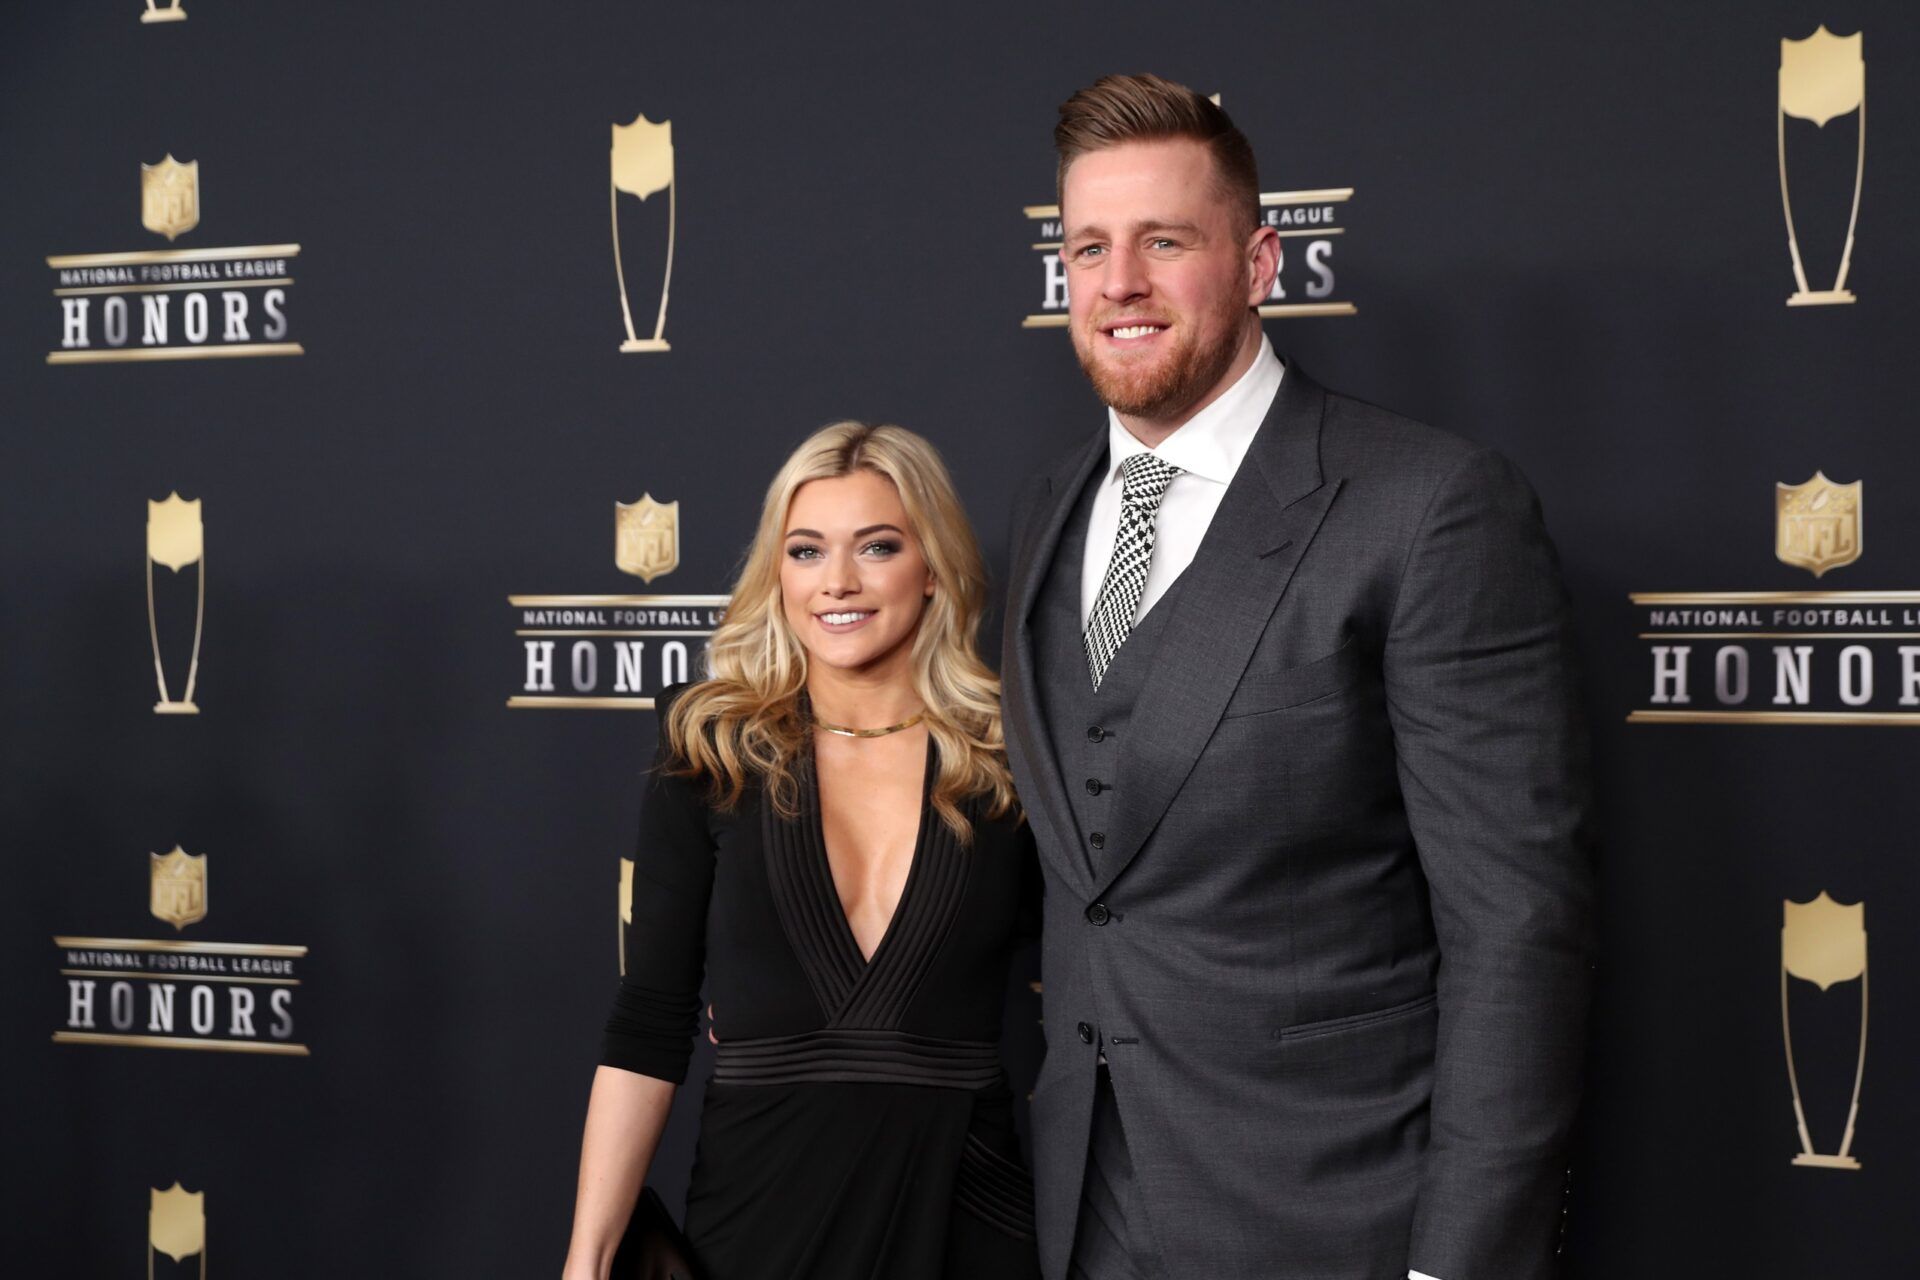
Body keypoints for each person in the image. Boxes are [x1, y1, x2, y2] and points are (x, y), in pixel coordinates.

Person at [999, 75, 1595, 1280]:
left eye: (1165, 242)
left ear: (1262, 260)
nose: (1118, 283)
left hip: (1336, 1216)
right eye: (1089, 247)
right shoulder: (1051, 505)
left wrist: (1460, 1262)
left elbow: (1515, 925)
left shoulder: (1426, 505)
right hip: (1078, 1209)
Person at [561, 422, 1043, 1280]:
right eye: (808, 552)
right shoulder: (710, 747)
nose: (839, 584)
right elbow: (649, 1024)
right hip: (759, 1216)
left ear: (932, 570)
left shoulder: (1014, 760)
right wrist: (587, 1261)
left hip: (967, 1215)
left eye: (879, 547)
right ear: (776, 575)